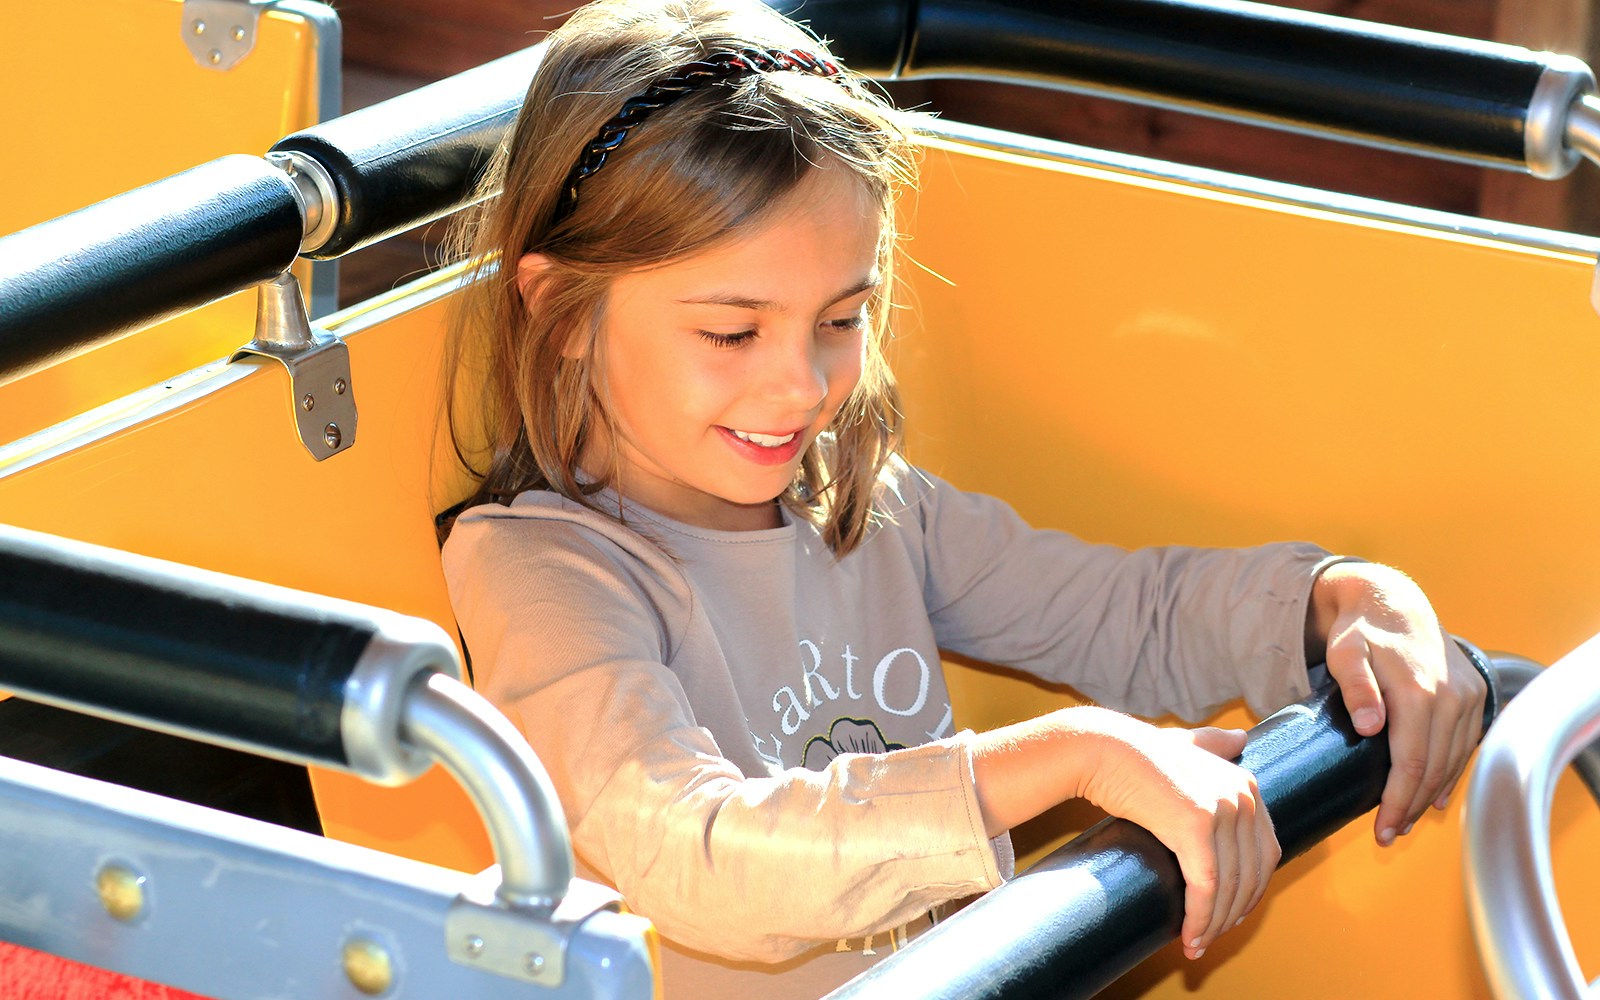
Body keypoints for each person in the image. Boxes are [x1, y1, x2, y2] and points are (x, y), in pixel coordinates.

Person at [438, 0, 1488, 995]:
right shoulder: (544, 571)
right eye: (732, 332)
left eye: (840, 320)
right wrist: (1065, 755)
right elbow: (691, 850)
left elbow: (1127, 616)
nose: (800, 386)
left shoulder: (860, 505)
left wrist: (1337, 599)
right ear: (561, 312)